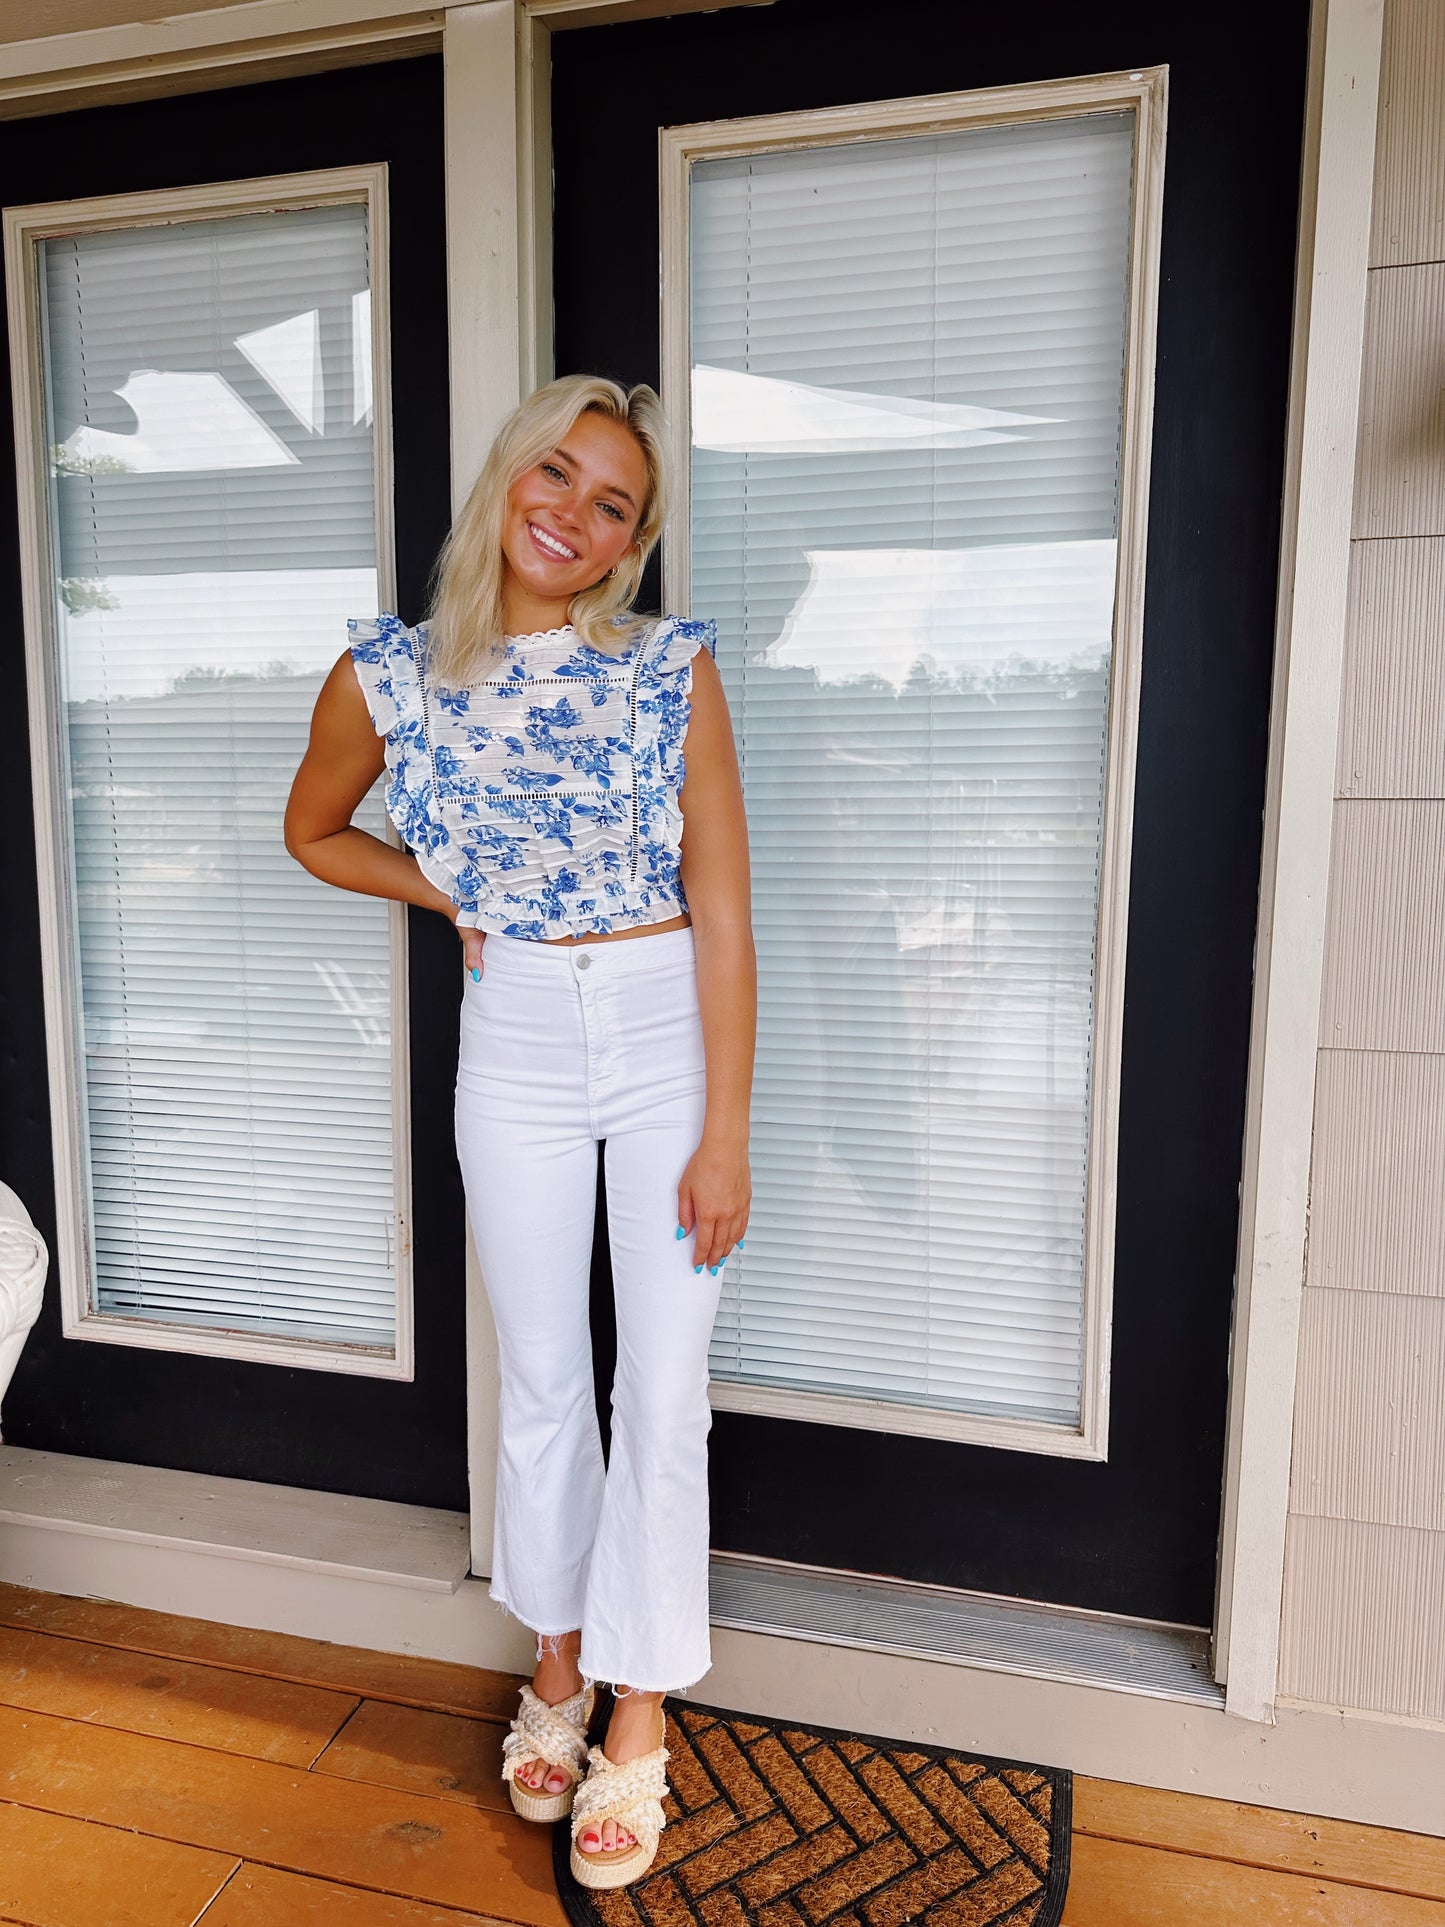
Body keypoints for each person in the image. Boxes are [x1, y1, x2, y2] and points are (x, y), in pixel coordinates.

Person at [284, 374, 755, 1892]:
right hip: (520, 1041)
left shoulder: (668, 668)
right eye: (555, 472)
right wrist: (450, 895)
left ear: (627, 545)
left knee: (661, 1384)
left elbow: (729, 906)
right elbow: (315, 832)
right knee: (546, 1378)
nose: (573, 511)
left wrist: (725, 1129)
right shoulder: (386, 674)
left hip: (665, 1018)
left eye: (611, 501)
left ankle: (639, 1712)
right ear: (504, 478)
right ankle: (553, 1669)